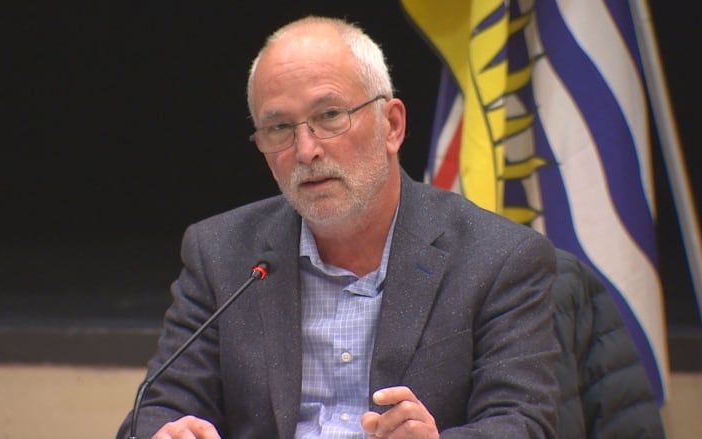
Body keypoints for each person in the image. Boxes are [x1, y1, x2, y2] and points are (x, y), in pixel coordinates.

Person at [116, 15, 559, 439]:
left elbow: (524, 422)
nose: (306, 149)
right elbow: (156, 408)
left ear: (392, 125)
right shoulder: (221, 253)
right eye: (279, 127)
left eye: (329, 115)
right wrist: (165, 431)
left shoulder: (498, 257)